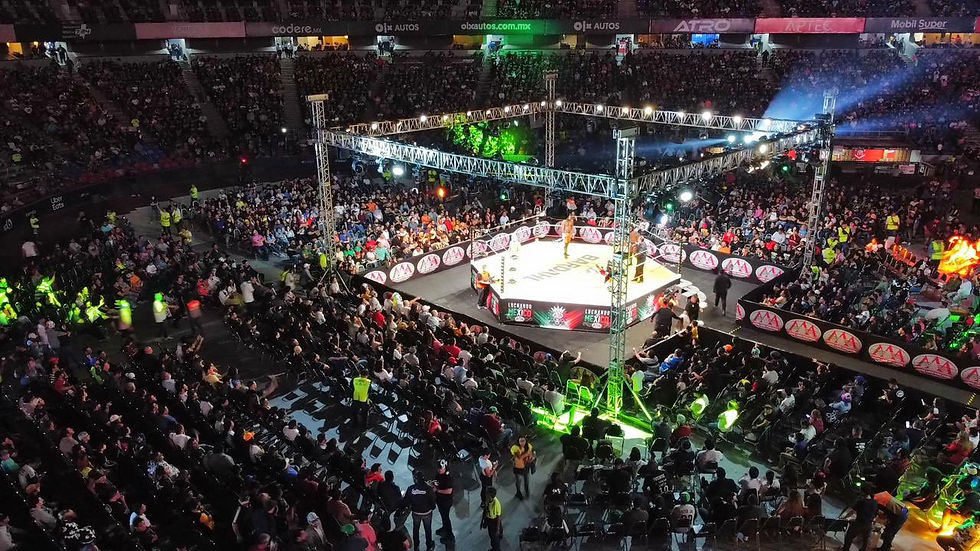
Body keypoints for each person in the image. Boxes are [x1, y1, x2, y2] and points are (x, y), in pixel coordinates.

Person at [401, 471, 436, 551]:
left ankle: (416, 547)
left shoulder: (410, 488)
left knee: (416, 529)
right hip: (427, 513)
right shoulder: (429, 489)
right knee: (428, 529)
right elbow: (433, 504)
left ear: (415, 479)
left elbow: (405, 502)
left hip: (416, 513)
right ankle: (429, 546)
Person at [841, 486, 877, 551]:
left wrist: (844, 517)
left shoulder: (861, 502)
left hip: (859, 524)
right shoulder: (874, 502)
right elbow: (875, 514)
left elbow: (852, 512)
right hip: (869, 525)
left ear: (863, 492)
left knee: (849, 536)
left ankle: (846, 549)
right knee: (865, 541)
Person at [434, 459, 454, 541]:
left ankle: (450, 535)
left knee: (446, 517)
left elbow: (449, 491)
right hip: (440, 500)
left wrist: (437, 490)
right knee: (443, 516)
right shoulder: (438, 475)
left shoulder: (447, 477)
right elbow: (437, 483)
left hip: (446, 501)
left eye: (440, 468)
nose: (439, 470)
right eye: (438, 468)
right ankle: (444, 528)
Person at [510, 435, 534, 500]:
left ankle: (527, 491)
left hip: (526, 466)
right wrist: (527, 453)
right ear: (518, 442)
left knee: (526, 480)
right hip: (518, 467)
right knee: (518, 481)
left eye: (523, 441)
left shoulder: (529, 446)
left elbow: (531, 453)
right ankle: (518, 493)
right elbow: (519, 457)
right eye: (521, 441)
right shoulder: (515, 448)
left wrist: (531, 457)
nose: (522, 443)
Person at [484, 487, 503, 551]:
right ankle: (494, 548)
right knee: (491, 536)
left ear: (490, 496)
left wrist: (497, 529)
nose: (485, 494)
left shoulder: (496, 504)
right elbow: (486, 510)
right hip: (489, 520)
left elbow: (498, 517)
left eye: (487, 493)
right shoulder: (488, 500)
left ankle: (496, 549)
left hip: (494, 522)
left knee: (495, 538)